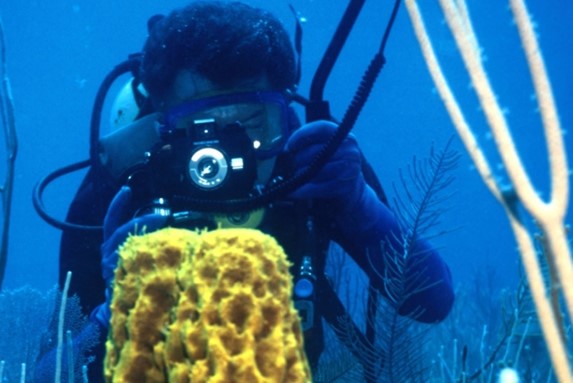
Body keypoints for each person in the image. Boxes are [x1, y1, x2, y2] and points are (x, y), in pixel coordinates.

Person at [56, 1, 454, 381]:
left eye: (251, 123)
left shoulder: (310, 165)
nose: (231, 155)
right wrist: (114, 307)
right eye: (203, 129)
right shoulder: (122, 193)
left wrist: (360, 205)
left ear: (285, 114)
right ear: (161, 127)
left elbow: (432, 300)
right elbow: (48, 373)